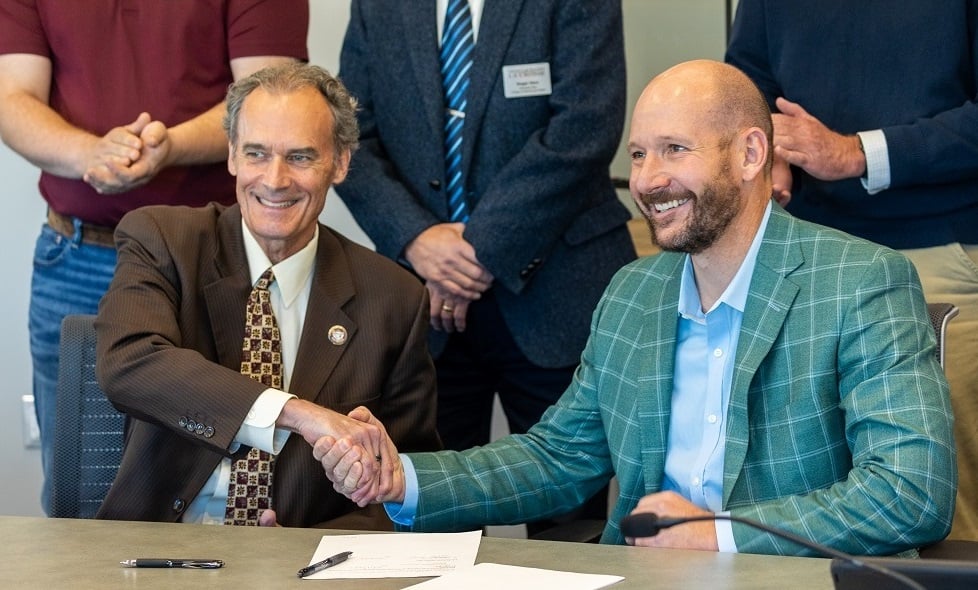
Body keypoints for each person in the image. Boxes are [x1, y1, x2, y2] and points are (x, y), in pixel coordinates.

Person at [314, 60, 957, 556]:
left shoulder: (863, 281)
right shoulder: (632, 292)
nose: (648, 180)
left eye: (674, 150)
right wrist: (403, 480)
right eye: (640, 154)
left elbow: (910, 492)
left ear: (751, 153)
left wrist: (719, 536)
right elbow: (558, 459)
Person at [93, 63, 441, 528]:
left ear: (340, 163)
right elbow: (129, 364)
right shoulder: (163, 239)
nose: (275, 180)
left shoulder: (393, 298)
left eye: (299, 157)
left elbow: (405, 491)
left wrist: (309, 550)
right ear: (232, 155)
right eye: (256, 153)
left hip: (304, 564)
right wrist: (298, 414)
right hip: (158, 548)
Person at [335, 0, 635, 531]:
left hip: (555, 291)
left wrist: (477, 250)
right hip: (421, 308)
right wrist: (418, 240)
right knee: (428, 512)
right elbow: (348, 133)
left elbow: (585, 126)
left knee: (569, 523)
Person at [0, 0, 309, 514]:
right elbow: (11, 96)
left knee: (227, 474)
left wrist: (166, 147)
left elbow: (271, 99)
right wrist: (89, 154)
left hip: (215, 261)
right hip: (77, 256)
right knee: (79, 485)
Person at [724, 0, 978, 541]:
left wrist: (858, 152)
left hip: (935, 247)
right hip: (805, 251)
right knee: (801, 484)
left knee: (942, 496)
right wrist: (771, 153)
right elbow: (748, 81)